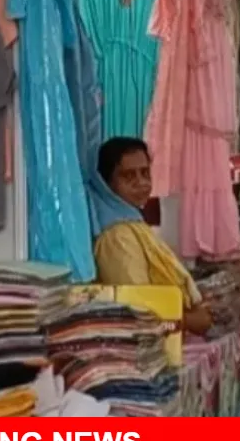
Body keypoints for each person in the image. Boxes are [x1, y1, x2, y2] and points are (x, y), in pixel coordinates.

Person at [91, 137, 213, 335]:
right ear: (106, 184)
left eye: (145, 173)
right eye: (128, 176)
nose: (141, 182)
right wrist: (190, 321)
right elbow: (137, 309)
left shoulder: (132, 223)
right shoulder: (117, 236)